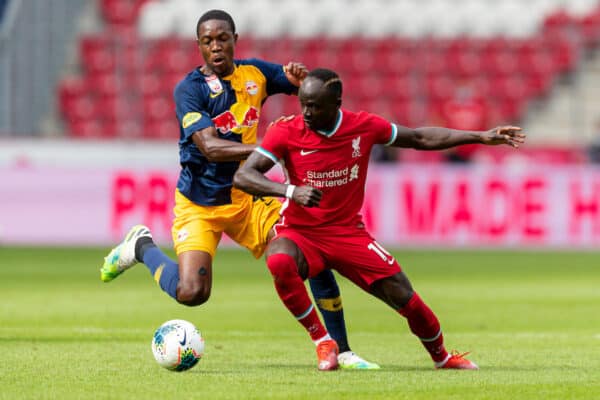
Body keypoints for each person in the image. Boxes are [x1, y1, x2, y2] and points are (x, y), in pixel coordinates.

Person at [99, 10, 378, 370]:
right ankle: (141, 247)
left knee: (312, 251)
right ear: (198, 46)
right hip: (200, 204)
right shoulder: (190, 90)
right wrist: (270, 149)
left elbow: (312, 92)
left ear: (235, 38)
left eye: (222, 39)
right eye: (207, 41)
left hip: (248, 199)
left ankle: (339, 349)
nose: (216, 47)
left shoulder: (256, 74)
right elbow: (210, 147)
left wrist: (300, 77)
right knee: (192, 293)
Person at [233, 68, 526, 371]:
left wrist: (479, 136)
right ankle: (323, 341)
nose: (306, 112)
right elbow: (244, 175)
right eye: (303, 104)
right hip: (301, 232)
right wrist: (290, 191)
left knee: (408, 300)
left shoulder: (363, 126)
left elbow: (420, 137)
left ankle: (441, 356)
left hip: (348, 234)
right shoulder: (286, 131)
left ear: (337, 103)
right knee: (279, 260)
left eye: (315, 106)